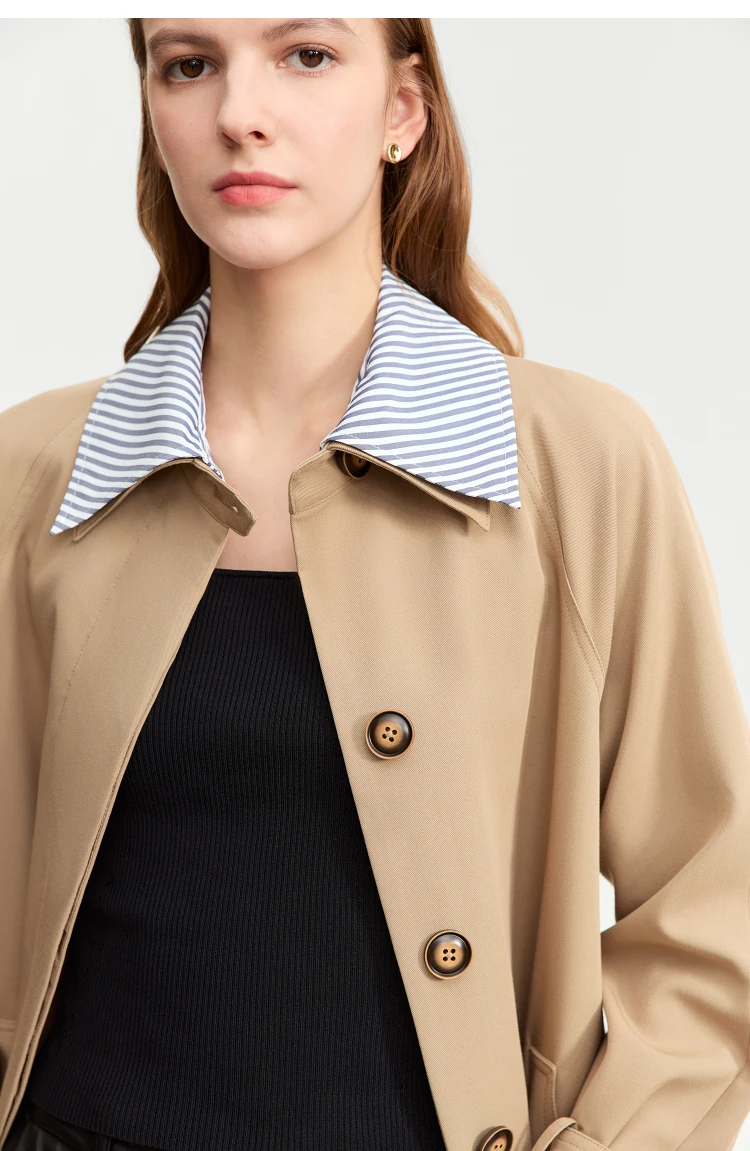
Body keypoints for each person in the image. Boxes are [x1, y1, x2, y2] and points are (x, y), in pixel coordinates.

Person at [1, 16, 749, 1151]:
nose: (239, 114)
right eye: (189, 65)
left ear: (404, 109)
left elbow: (713, 899)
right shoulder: (35, 474)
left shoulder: (571, 465)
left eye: (306, 55)